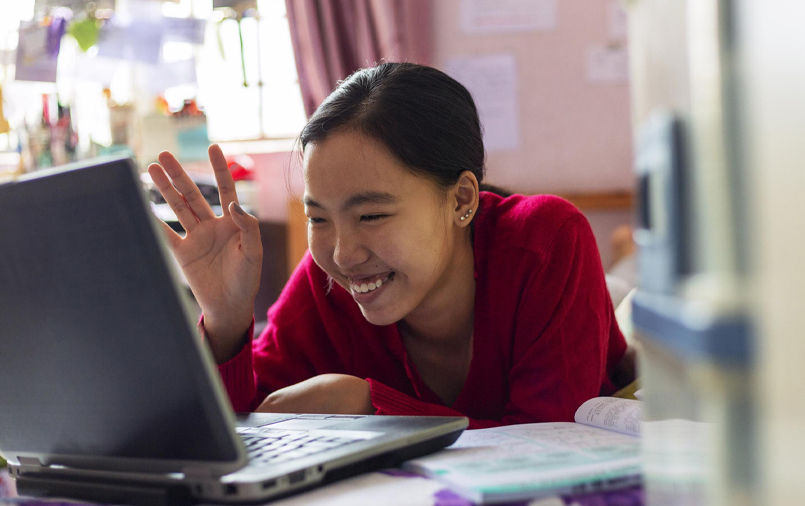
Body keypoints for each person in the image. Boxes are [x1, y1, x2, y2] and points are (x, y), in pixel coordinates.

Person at [148, 62, 628, 430]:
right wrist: (228, 325)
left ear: (461, 198)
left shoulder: (545, 241)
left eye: (371, 215)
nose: (343, 254)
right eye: (318, 218)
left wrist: (371, 407)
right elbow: (244, 431)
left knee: (630, 296)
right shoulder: (327, 283)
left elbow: (554, 443)